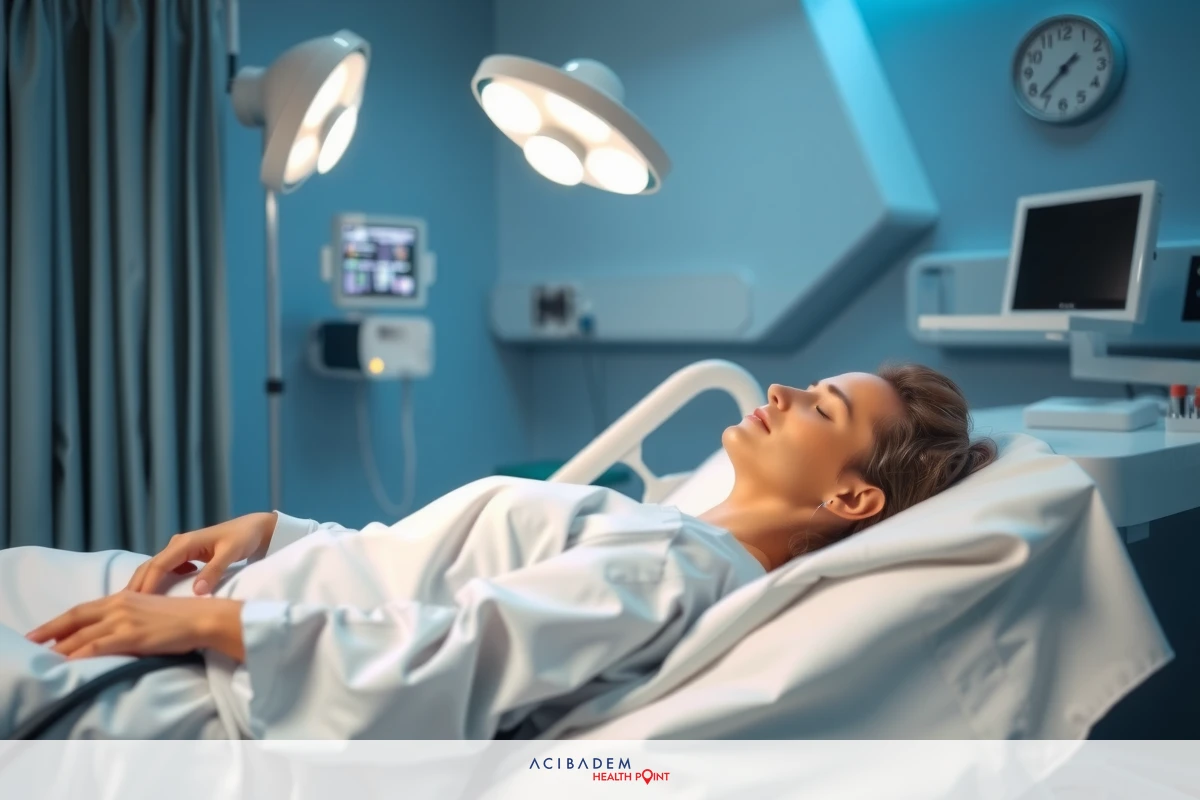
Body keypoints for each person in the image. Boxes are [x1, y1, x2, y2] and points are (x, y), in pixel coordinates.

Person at [1, 364, 994, 739]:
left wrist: (211, 619)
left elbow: (468, 646)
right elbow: (426, 566)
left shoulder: (676, 562)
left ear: (852, 494)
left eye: (822, 406)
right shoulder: (676, 534)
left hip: (225, 662)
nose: (779, 392)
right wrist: (278, 531)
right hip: (254, 593)